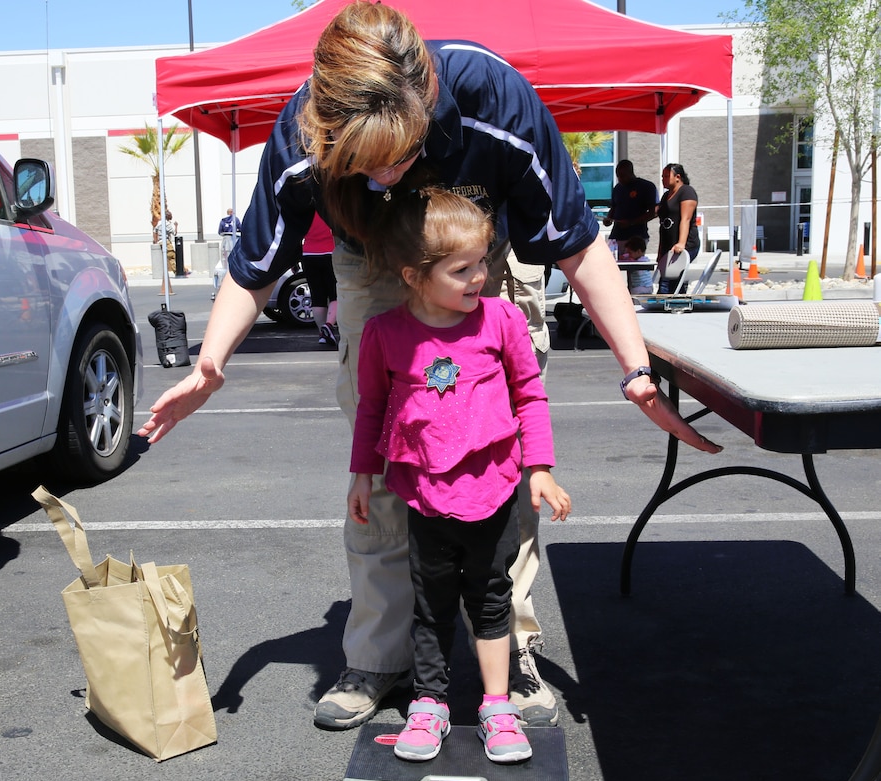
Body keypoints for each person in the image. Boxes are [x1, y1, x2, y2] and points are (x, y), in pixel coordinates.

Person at [137, 1, 721, 733]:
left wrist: (635, 366)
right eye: (365, 162)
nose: (384, 174)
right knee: (386, 468)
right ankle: (380, 656)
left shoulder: (495, 97)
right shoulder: (300, 126)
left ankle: (510, 648)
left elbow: (574, 241)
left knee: (501, 468)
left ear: (430, 99)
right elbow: (255, 264)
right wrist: (210, 363)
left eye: (401, 151)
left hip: (484, 260)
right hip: (372, 267)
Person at [349, 187, 571, 763]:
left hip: (493, 492)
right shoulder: (386, 334)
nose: (480, 277)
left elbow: (530, 394)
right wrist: (360, 476)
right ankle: (430, 703)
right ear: (414, 275)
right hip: (424, 497)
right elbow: (372, 408)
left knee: (492, 598)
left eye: (483, 262)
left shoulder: (500, 319)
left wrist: (539, 469)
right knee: (431, 606)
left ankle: (496, 705)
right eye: (462, 269)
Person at [656, 163, 700, 294]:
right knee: (667, 279)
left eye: (666, 176)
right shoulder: (666, 196)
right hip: (668, 246)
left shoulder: (687, 192)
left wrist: (681, 243)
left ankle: (674, 302)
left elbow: (685, 219)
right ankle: (675, 300)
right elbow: (662, 224)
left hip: (685, 245)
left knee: (668, 280)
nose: (663, 179)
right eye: (662, 176)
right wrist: (660, 252)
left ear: (677, 177)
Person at [601, 160, 657, 259]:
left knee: (636, 269)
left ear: (631, 172)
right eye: (618, 176)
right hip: (617, 236)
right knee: (614, 265)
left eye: (623, 176)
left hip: (637, 237)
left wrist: (631, 222)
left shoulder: (646, 187)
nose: (620, 179)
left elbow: (653, 212)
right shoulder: (617, 188)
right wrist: (608, 219)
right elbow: (614, 208)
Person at [301, 212, 338, 348]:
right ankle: (328, 326)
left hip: (308, 253)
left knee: (317, 297)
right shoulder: (328, 206)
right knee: (335, 294)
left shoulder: (305, 207)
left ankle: (322, 334)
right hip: (330, 251)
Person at [153, 209, 178, 293]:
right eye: (170, 215)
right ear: (168, 216)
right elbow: (174, 233)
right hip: (166, 242)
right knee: (172, 257)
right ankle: (176, 271)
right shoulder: (167, 224)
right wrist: (176, 226)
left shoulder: (159, 223)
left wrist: (155, 240)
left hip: (160, 241)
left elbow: (154, 230)